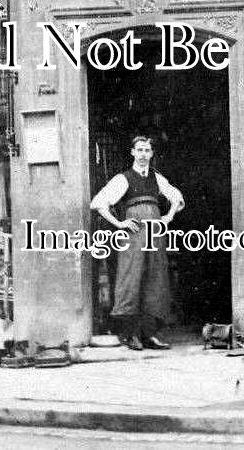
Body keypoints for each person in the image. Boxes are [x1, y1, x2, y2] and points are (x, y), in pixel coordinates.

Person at [90, 135, 185, 350]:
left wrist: (168, 217)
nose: (143, 154)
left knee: (155, 277)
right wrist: (120, 223)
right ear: (132, 152)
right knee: (131, 278)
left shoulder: (157, 178)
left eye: (147, 150)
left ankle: (149, 334)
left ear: (151, 154)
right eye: (139, 150)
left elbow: (177, 197)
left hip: (155, 233)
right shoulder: (123, 178)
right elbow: (98, 203)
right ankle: (130, 334)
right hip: (133, 234)